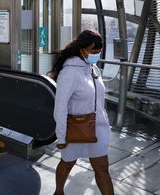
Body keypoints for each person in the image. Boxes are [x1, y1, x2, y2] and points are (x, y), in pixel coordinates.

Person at [50, 30, 114, 195]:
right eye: (93, 50)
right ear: (82, 49)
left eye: (99, 51)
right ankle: (58, 192)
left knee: (102, 169)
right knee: (68, 162)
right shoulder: (69, 72)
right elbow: (60, 107)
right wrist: (61, 136)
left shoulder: (92, 68)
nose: (96, 54)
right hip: (75, 127)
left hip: (98, 128)